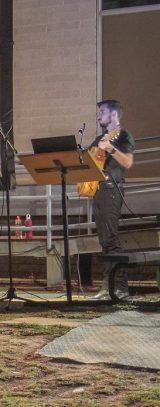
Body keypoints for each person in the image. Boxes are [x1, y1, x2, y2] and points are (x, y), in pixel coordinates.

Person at [89, 100, 134, 300]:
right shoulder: (99, 137)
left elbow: (128, 162)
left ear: (114, 114)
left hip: (112, 189)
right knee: (103, 240)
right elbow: (89, 160)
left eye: (102, 111)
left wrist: (111, 149)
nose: (98, 115)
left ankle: (121, 287)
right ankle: (107, 286)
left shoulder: (123, 135)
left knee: (111, 238)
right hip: (98, 190)